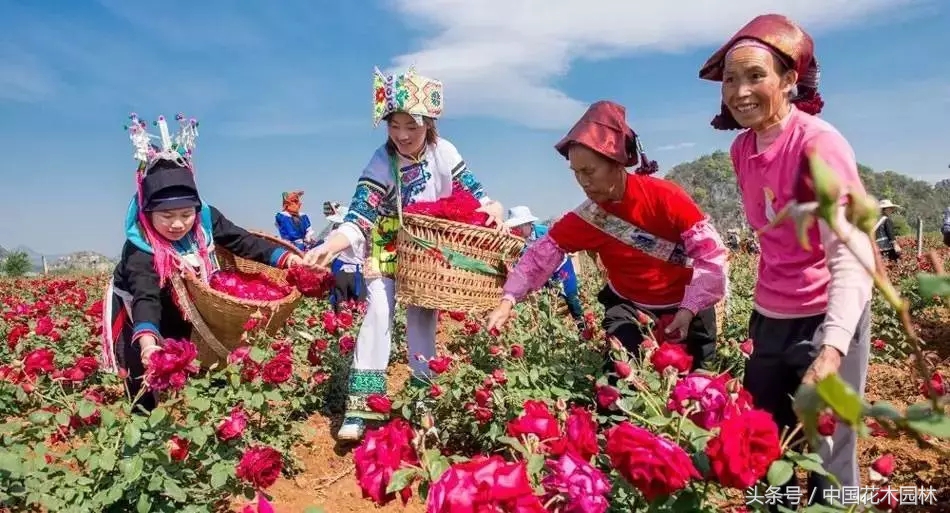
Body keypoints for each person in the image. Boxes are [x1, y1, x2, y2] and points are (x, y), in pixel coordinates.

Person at [699, 14, 875, 508]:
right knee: (763, 449)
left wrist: (833, 346)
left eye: (756, 75)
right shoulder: (742, 148)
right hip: (771, 314)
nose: (740, 91)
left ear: (790, 79)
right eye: (731, 79)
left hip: (827, 315)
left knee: (827, 453)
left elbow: (850, 252)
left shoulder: (818, 143)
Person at [303, 67, 505, 441]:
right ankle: (361, 407)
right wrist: (330, 245)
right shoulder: (381, 161)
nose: (402, 135)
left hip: (428, 250)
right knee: (378, 312)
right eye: (394, 126)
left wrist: (493, 207)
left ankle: (424, 399)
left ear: (428, 123)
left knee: (422, 320)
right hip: (388, 244)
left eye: (411, 126)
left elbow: (476, 193)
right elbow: (360, 213)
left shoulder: (445, 153)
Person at [486, 100, 728, 373]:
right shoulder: (587, 219)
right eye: (576, 173)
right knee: (620, 375)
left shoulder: (666, 198)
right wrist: (507, 302)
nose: (583, 181)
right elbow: (540, 256)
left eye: (589, 171)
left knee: (699, 382)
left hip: (689, 305)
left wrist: (689, 308)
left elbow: (710, 256)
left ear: (617, 162)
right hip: (631, 308)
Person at [101, 113, 304, 412]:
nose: (178, 224)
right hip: (139, 308)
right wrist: (148, 343)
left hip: (185, 296)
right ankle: (142, 424)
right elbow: (146, 297)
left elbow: (242, 241)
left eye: (185, 213)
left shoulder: (207, 219)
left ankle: (187, 412)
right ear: (147, 213)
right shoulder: (140, 249)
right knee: (144, 374)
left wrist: (287, 259)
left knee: (185, 352)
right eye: (166, 217)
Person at [504, 205, 586, 331]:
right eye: (514, 227)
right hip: (540, 273)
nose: (517, 230)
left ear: (529, 224)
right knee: (546, 301)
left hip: (560, 267)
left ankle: (582, 327)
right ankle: (551, 332)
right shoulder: (515, 241)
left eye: (519, 226)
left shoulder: (545, 232)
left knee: (571, 296)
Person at [322, 202, 367, 310]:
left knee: (341, 306)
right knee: (360, 307)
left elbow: (327, 250)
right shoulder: (360, 234)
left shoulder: (335, 234)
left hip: (341, 273)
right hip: (358, 274)